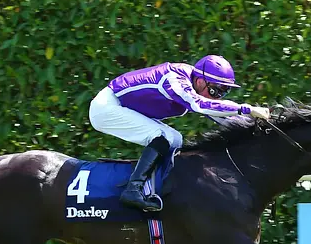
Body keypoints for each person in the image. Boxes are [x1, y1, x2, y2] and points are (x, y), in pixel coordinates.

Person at [89, 54, 270, 212]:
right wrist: (246, 109)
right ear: (200, 81)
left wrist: (254, 127)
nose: (217, 97)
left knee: (176, 139)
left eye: (223, 92)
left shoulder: (195, 84)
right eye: (215, 90)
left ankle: (154, 188)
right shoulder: (175, 79)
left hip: (122, 106)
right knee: (161, 136)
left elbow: (221, 117)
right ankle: (132, 190)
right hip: (106, 107)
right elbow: (200, 105)